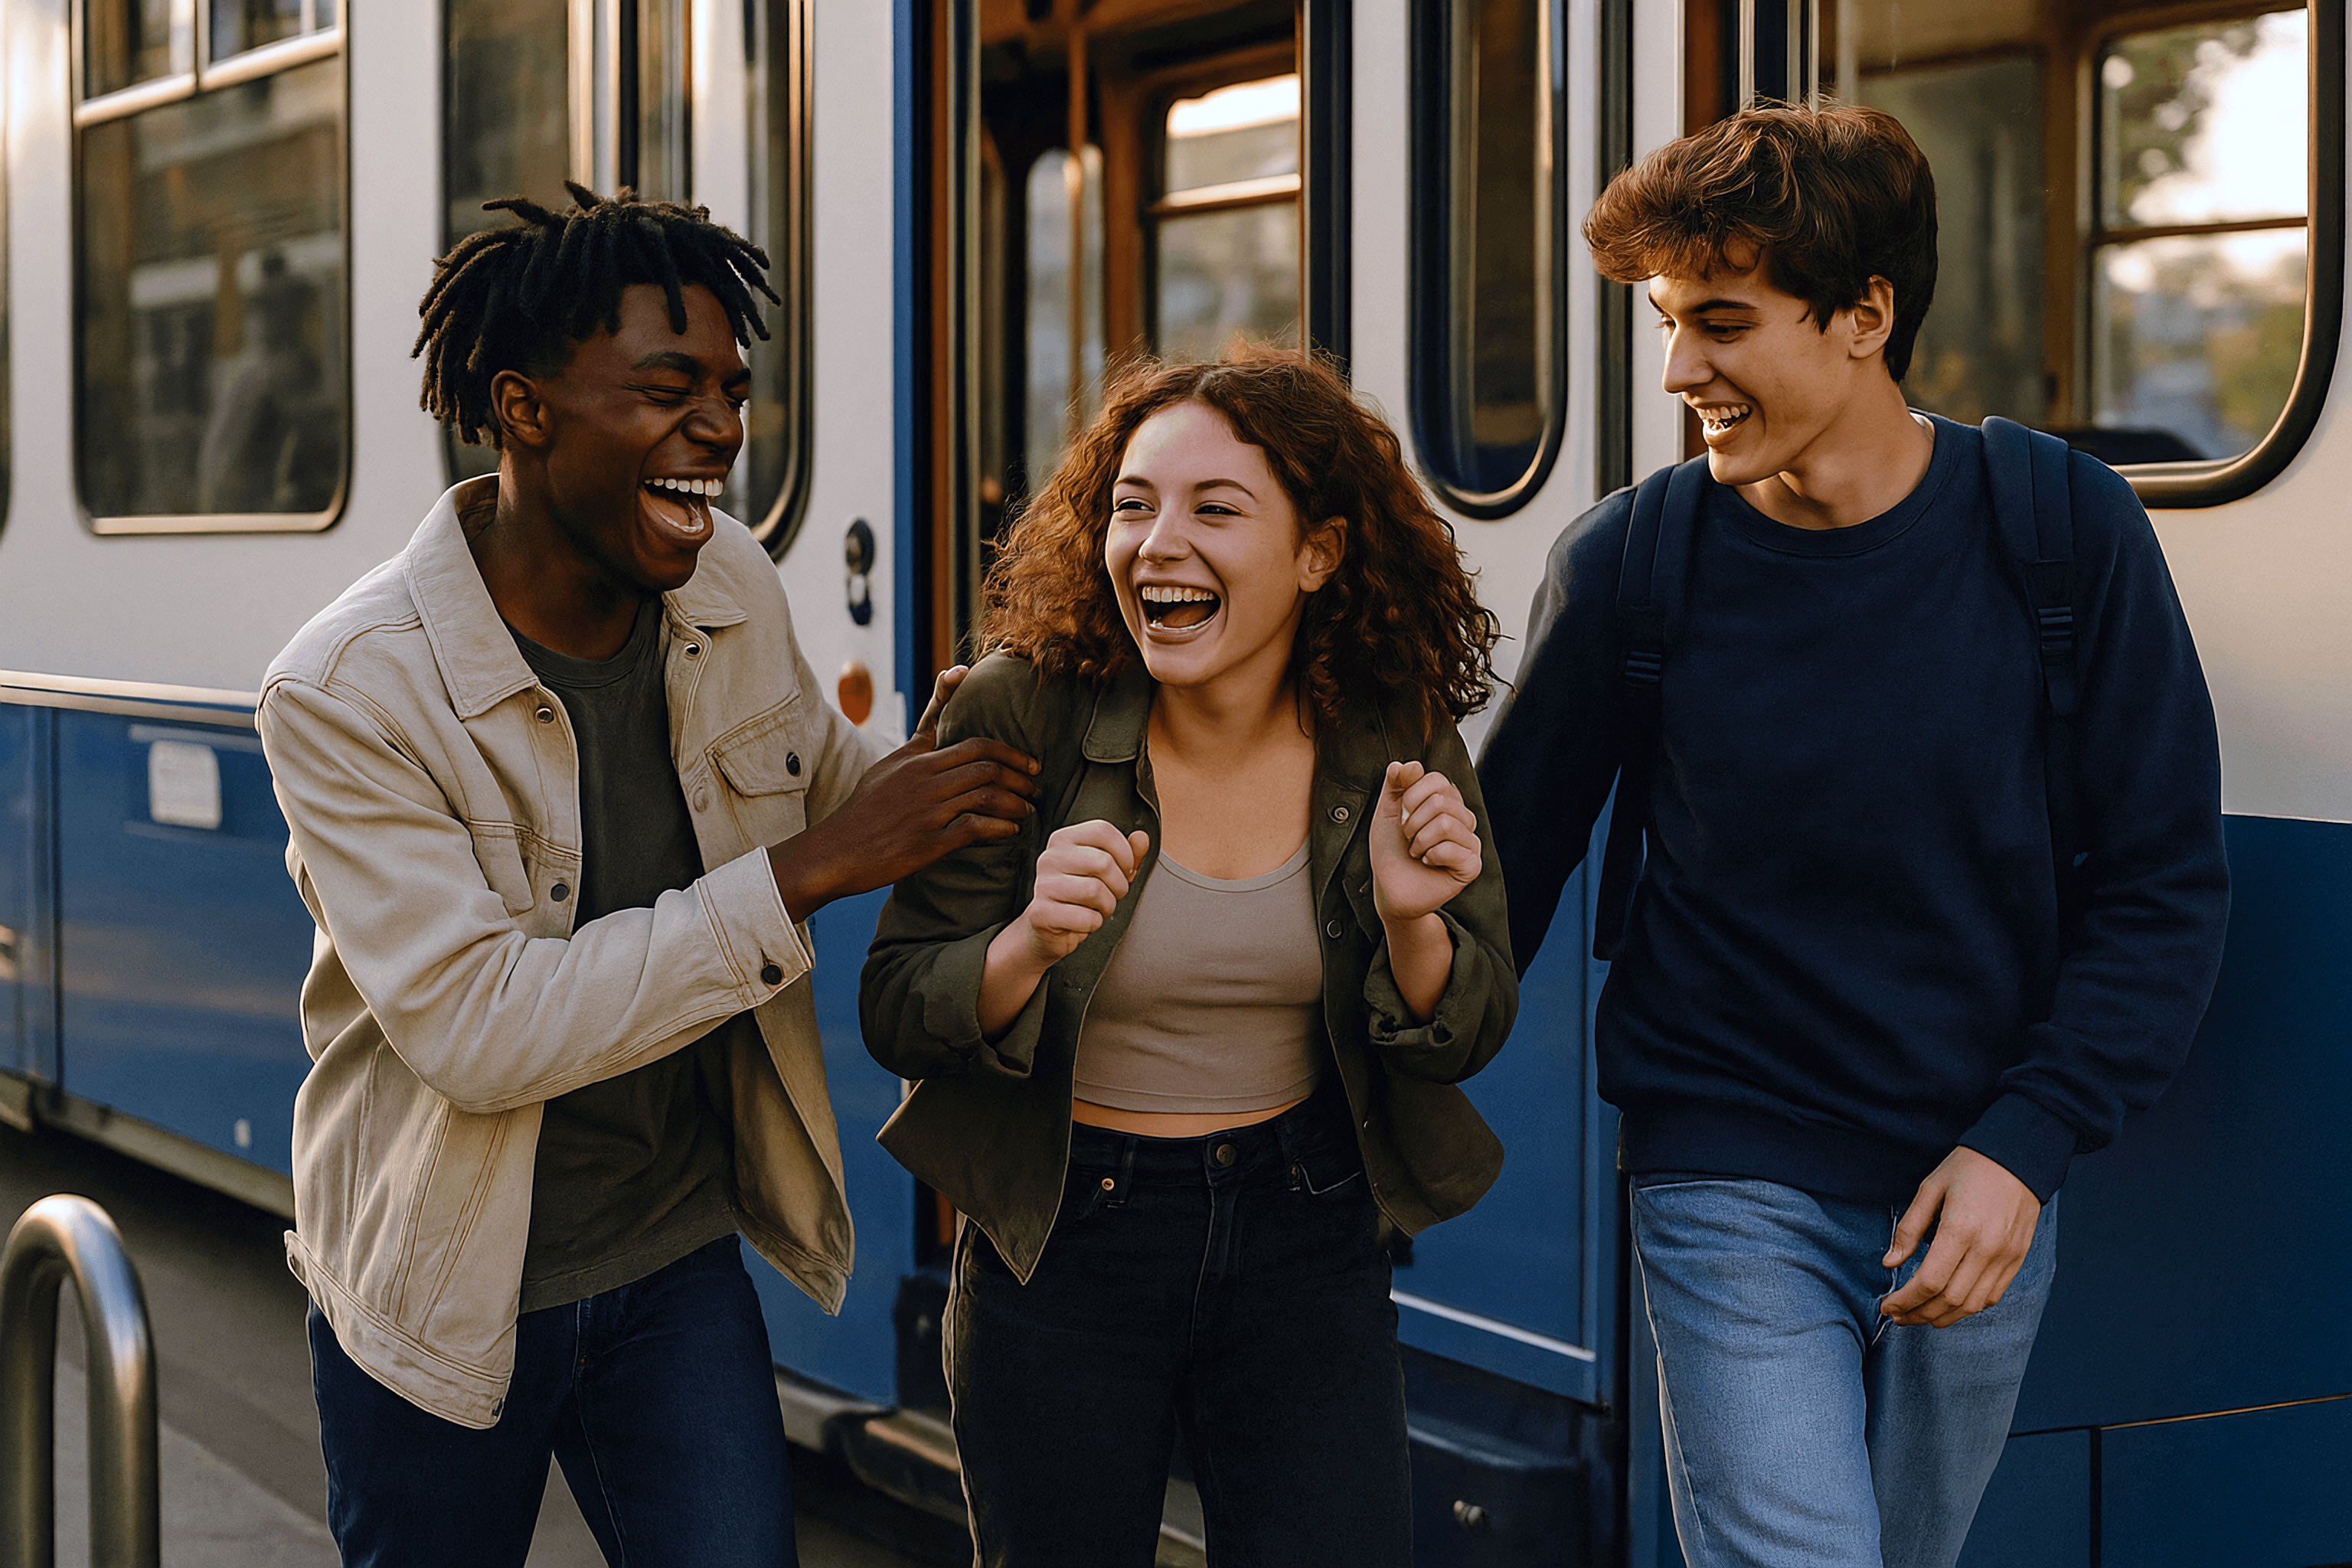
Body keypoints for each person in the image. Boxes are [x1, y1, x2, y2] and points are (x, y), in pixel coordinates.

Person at [1479, 103, 2230, 1568]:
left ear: (1864, 316)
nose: (1682, 368)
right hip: (1724, 1167)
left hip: (1978, 1176)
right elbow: (1494, 885)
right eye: (1667, 324)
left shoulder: (2066, 535)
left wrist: (2026, 1145)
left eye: (1722, 322)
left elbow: (2163, 886)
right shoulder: (1633, 562)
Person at [256, 185, 1039, 1567]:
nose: (723, 431)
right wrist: (803, 875)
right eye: (669, 389)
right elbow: (482, 1029)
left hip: (669, 1257)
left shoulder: (728, 578)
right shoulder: (349, 688)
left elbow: (825, 779)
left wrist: (986, 739)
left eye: (735, 392)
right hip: (441, 1292)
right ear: (523, 409)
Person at [861, 351, 1517, 1567]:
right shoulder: (1019, 710)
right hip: (1065, 1238)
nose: (1158, 543)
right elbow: (898, 1005)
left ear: (1317, 553)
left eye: (1216, 509)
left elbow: (1474, 1023)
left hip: (1304, 1228)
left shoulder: (1388, 722)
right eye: (1131, 505)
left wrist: (1417, 919)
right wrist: (1024, 945)